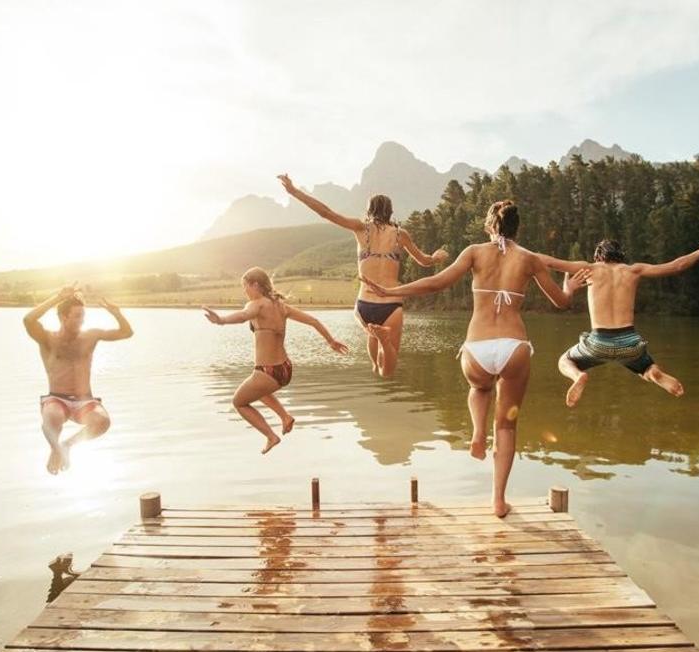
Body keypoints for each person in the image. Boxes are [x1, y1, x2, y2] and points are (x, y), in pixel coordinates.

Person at [362, 200, 578, 518]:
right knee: (506, 426)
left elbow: (436, 282)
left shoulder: (475, 252)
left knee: (479, 389)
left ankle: (477, 431)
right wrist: (569, 286)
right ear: (517, 228)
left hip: (477, 347)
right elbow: (560, 302)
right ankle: (498, 501)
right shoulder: (529, 259)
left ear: (490, 226)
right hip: (513, 347)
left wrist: (392, 291)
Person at [277, 173, 448, 377]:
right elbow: (424, 261)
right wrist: (437, 257)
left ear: (369, 210)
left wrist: (294, 192)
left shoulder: (360, 228)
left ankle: (375, 361)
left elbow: (326, 213)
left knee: (372, 336)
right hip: (391, 304)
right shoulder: (400, 235)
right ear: (390, 212)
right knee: (388, 371)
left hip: (364, 304)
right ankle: (383, 343)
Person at [539, 239, 699, 406]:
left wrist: (513, 248)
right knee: (645, 368)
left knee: (565, 360)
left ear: (598, 256)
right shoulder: (634, 270)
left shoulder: (589, 269)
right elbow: (676, 266)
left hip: (599, 342)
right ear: (620, 255)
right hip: (630, 343)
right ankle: (653, 372)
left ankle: (578, 376)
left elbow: (549, 261)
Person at [202, 267, 349, 454]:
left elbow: (243, 316)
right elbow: (313, 320)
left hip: (267, 371)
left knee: (239, 402)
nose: (244, 291)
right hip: (285, 369)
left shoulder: (257, 304)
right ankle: (285, 417)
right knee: (257, 390)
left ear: (255, 285)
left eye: (245, 286)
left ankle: (271, 436)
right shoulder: (281, 306)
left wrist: (221, 320)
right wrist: (331, 341)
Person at [23, 284, 134, 474]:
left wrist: (117, 313)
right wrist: (58, 297)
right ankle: (56, 449)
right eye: (77, 317)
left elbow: (126, 333)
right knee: (52, 417)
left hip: (85, 400)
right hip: (57, 399)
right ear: (63, 317)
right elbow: (28, 319)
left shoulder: (90, 336)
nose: (81, 321)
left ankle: (65, 446)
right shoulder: (47, 338)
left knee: (103, 422)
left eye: (83, 317)